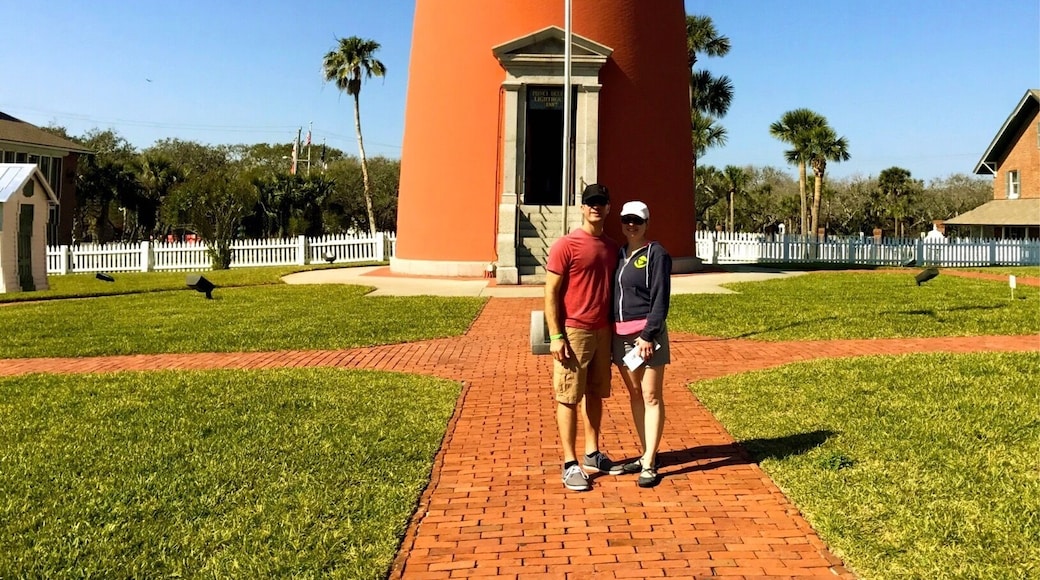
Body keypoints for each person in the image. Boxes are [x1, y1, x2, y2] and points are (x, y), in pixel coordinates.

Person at [544, 183, 625, 491]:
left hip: (603, 330)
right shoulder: (565, 245)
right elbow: (550, 291)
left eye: (601, 202)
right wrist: (556, 335)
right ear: (582, 207)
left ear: (608, 208)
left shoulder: (611, 246)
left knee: (595, 393)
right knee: (568, 396)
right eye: (590, 202)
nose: (595, 207)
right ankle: (569, 462)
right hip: (574, 331)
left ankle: (592, 452)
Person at [612, 200, 671, 488]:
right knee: (635, 395)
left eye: (637, 220)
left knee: (651, 396)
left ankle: (649, 462)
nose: (631, 225)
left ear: (646, 223)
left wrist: (649, 334)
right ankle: (646, 450)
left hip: (645, 336)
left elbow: (661, 298)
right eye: (626, 220)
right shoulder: (620, 253)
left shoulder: (656, 253)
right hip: (620, 336)